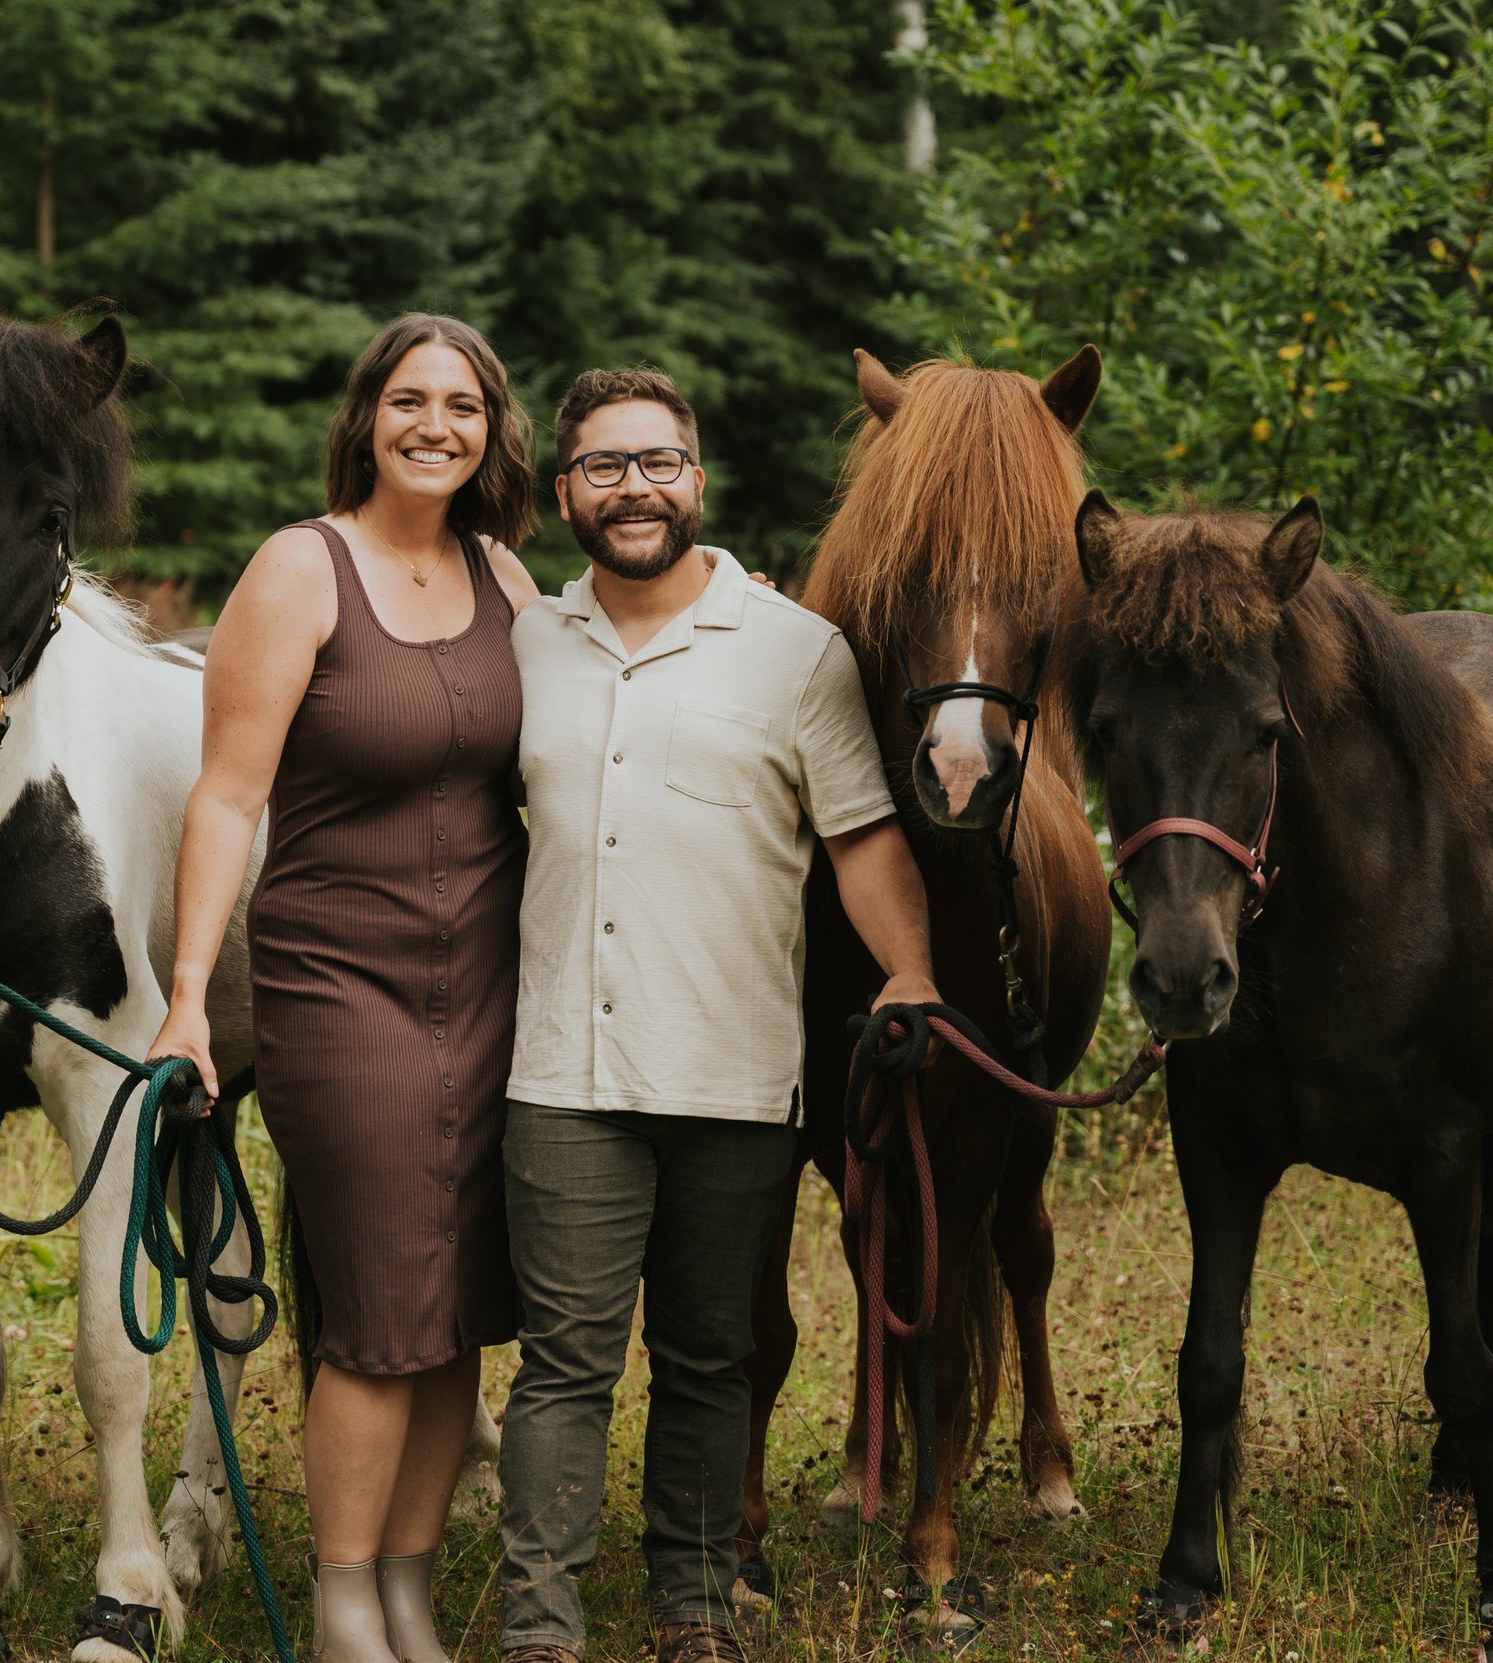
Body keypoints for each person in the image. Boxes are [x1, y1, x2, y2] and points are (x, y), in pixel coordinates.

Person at [496, 369, 942, 1663]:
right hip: (565, 1074)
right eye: (603, 466)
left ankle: (692, 1607)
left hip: (737, 1076)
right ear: (566, 491)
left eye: (658, 461)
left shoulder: (797, 649)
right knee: (565, 1365)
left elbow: (861, 840)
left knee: (708, 1359)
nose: (633, 486)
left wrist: (909, 972)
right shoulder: (527, 644)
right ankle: (540, 1622)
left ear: (698, 476)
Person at [149, 313, 541, 1663]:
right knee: (380, 1311)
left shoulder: (507, 578)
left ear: (495, 431)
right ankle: (339, 1609)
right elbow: (225, 796)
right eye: (411, 400)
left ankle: (408, 1594)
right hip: (337, 981)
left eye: (466, 405)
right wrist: (191, 995)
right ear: (366, 417)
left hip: (488, 987)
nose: (438, 425)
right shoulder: (300, 569)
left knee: (457, 1315)